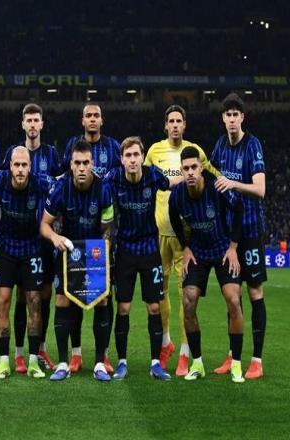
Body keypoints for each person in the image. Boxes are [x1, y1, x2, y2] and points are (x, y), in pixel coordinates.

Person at [144, 105, 219, 376]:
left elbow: (214, 179)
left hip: (186, 239)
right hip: (158, 234)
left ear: (185, 125)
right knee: (159, 292)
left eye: (179, 121)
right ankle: (166, 343)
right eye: (171, 121)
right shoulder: (154, 152)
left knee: (185, 296)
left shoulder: (195, 152)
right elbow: (142, 183)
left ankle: (186, 353)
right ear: (165, 125)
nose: (175, 125)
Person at [169, 146, 245, 383]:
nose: (190, 172)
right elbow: (173, 218)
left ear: (201, 168)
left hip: (222, 249)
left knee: (233, 299)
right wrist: (186, 246)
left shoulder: (216, 187)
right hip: (198, 252)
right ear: (181, 171)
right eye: (186, 168)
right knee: (188, 301)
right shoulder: (177, 195)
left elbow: (239, 208)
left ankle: (236, 363)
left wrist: (233, 248)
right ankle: (198, 363)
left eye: (194, 167)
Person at [40, 140, 114, 381]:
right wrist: (55, 237)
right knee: (62, 301)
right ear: (71, 165)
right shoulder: (60, 188)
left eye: (86, 163)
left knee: (102, 301)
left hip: (94, 252)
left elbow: (107, 226)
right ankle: (63, 364)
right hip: (69, 252)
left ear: (92, 164)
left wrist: (102, 249)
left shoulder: (103, 189)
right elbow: (44, 224)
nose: (82, 168)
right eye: (77, 163)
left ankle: (100, 363)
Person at [104, 137, 175, 380]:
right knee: (123, 307)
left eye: (136, 155)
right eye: (128, 155)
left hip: (149, 250)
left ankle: (156, 363)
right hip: (124, 250)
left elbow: (172, 185)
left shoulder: (153, 175)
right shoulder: (113, 178)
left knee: (154, 306)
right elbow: (98, 195)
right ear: (122, 159)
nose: (132, 160)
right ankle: (122, 362)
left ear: (142, 157)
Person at [210, 93, 267, 380]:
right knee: (232, 294)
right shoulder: (220, 145)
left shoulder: (252, 145)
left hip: (250, 230)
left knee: (254, 292)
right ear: (223, 118)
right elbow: (211, 176)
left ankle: (256, 360)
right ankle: (234, 355)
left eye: (236, 114)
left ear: (242, 118)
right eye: (228, 114)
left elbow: (260, 189)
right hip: (227, 234)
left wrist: (232, 183)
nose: (232, 119)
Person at [1, 103, 61, 373]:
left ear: (42, 124)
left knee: (43, 295)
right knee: (22, 297)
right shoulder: (13, 153)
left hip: (44, 239)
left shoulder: (51, 154)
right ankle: (18, 354)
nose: (33, 124)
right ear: (23, 124)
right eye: (29, 120)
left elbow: (59, 186)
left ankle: (41, 349)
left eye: (37, 120)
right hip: (19, 240)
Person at [61, 103, 121, 374]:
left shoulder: (113, 147)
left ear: (102, 120)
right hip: (76, 238)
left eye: (97, 115)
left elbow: (120, 177)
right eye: (88, 115)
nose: (93, 119)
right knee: (74, 296)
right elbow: (64, 178)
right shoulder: (72, 146)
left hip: (103, 233)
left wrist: (106, 242)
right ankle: (75, 354)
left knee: (104, 297)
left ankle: (103, 355)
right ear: (82, 120)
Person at [0, 146, 54, 379]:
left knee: (34, 300)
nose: (20, 169)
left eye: (24, 165)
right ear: (10, 166)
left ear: (30, 167)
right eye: (16, 165)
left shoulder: (41, 183)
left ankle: (33, 361)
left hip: (31, 248)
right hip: (6, 248)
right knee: (3, 300)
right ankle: (5, 361)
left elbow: (64, 185)